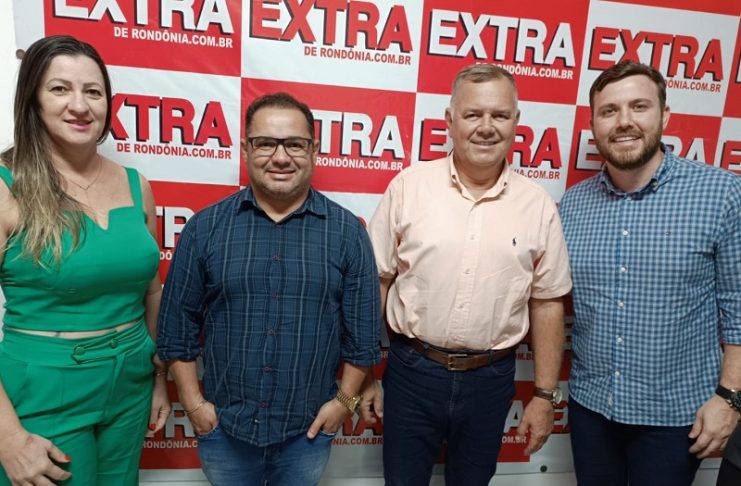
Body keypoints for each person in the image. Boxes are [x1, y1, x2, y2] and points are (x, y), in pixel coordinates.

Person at [157, 92, 382, 486]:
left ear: (313, 150)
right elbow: (177, 329)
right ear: (246, 149)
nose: (280, 157)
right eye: (265, 143)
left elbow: (363, 339)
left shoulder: (348, 233)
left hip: (308, 432)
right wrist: (193, 406)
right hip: (224, 430)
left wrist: (343, 404)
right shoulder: (205, 229)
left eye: (294, 144)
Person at [367, 63, 572, 485]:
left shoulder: (537, 205)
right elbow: (377, 283)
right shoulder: (408, 187)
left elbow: (548, 302)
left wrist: (544, 396)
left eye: (500, 115)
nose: (486, 127)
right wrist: (365, 377)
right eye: (473, 114)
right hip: (411, 371)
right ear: (450, 120)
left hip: (491, 379)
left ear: (516, 122)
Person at [560, 60, 741, 486]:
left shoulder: (721, 193)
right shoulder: (572, 205)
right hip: (592, 409)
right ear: (593, 124)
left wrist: (730, 398)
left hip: (675, 418)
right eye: (609, 111)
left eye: (639, 106)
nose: (624, 121)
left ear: (664, 115)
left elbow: (738, 306)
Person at [0, 35, 169, 486]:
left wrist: (158, 378)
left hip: (131, 379)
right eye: (60, 89)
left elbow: (151, 290)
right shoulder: (5, 186)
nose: (80, 105)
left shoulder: (136, 184)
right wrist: (8, 438)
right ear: (32, 99)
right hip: (44, 385)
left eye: (93, 91)